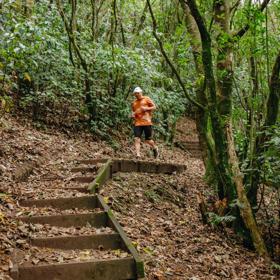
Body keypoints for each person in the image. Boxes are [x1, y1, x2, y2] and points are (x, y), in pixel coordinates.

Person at [131, 86, 159, 159]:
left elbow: (154, 107)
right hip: (137, 123)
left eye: (138, 93)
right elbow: (134, 112)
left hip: (147, 122)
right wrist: (132, 115)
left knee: (148, 140)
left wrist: (146, 108)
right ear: (134, 94)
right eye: (136, 94)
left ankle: (155, 148)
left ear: (141, 92)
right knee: (136, 138)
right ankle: (138, 155)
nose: (137, 95)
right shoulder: (134, 103)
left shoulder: (147, 99)